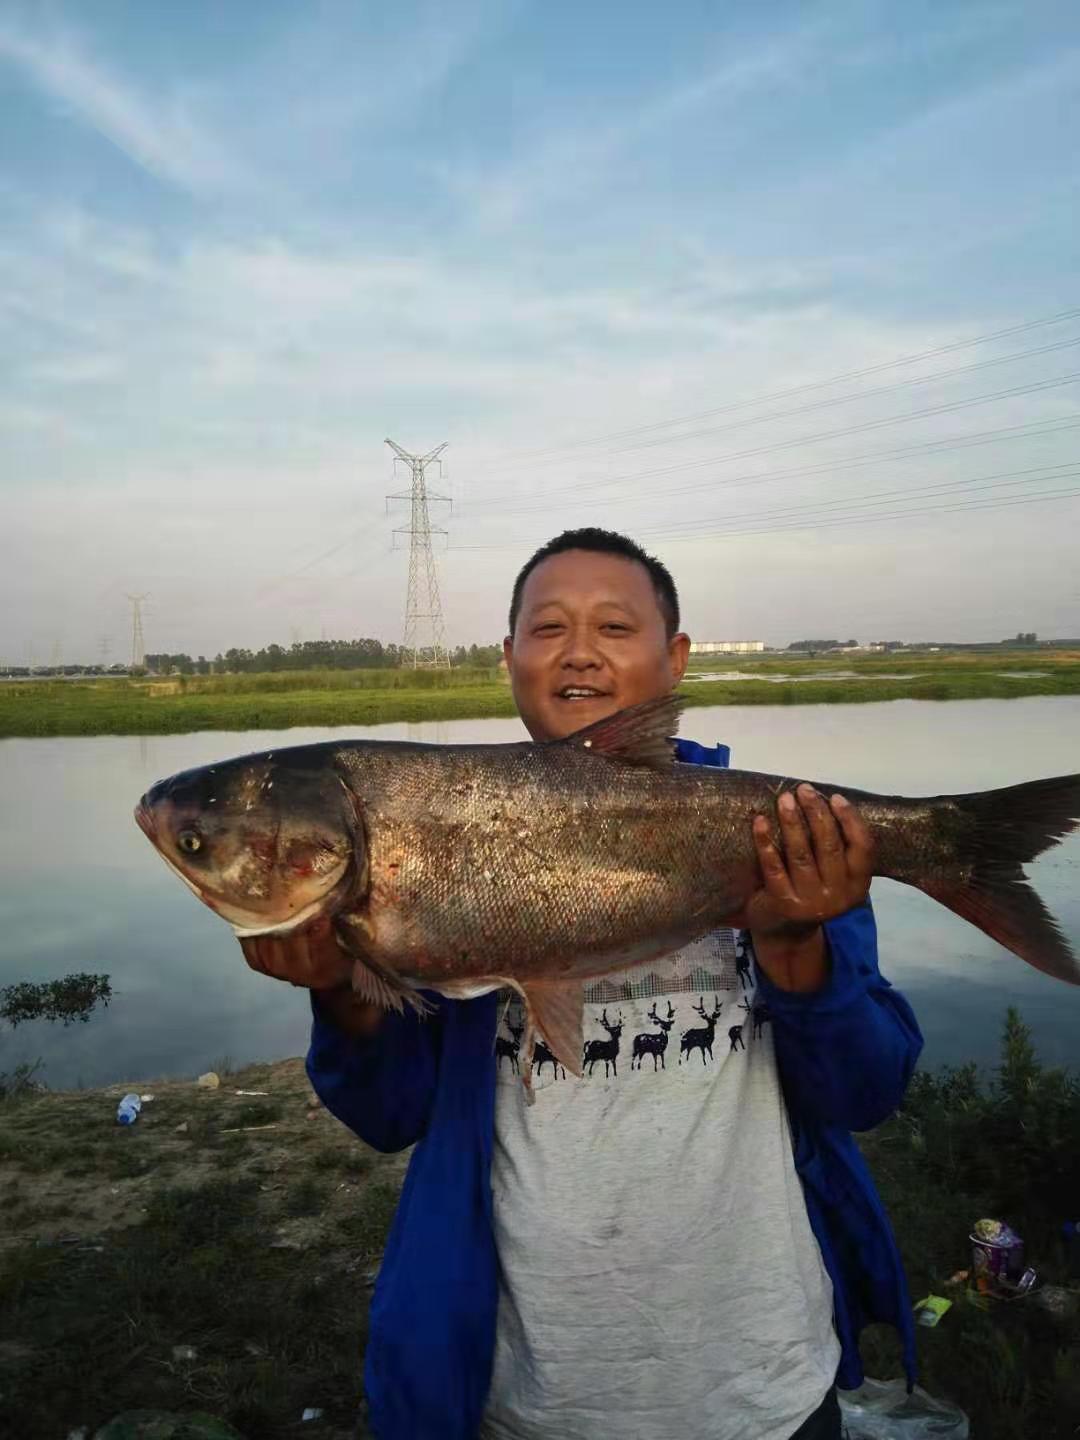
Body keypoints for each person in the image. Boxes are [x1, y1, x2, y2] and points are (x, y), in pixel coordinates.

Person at [295, 528, 924, 1440]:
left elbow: (867, 1092)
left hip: (766, 1383)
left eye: (615, 628)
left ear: (676, 659)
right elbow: (390, 1114)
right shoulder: (438, 850)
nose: (580, 651)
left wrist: (795, 945)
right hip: (530, 1392)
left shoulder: (786, 843)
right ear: (508, 658)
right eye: (548, 628)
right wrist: (338, 988)